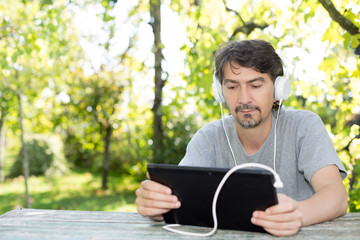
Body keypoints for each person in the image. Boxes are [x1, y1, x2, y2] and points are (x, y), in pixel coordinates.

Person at [135, 39, 348, 237]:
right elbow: (179, 200)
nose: (244, 98)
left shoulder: (304, 126)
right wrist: (157, 204)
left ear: (278, 90)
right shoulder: (207, 139)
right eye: (232, 86)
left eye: (255, 85)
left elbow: (336, 196)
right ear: (220, 92)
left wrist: (298, 214)